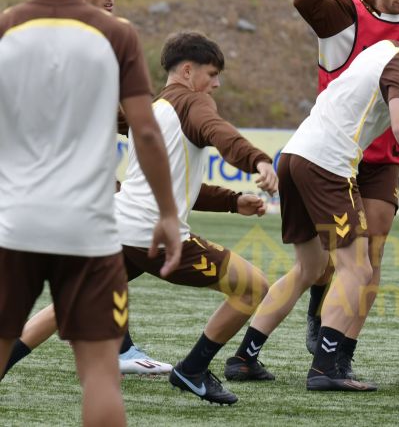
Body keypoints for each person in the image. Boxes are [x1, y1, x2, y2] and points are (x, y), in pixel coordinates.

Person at [4, 32, 281, 405]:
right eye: (212, 74)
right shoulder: (192, 103)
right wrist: (259, 160)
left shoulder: (147, 110)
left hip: (117, 229)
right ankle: (193, 370)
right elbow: (221, 133)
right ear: (187, 70)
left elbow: (168, 182)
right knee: (254, 287)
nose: (215, 84)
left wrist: (233, 201)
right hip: (156, 238)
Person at [226, 0, 399, 382]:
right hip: (333, 154)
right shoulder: (346, 13)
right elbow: (304, 0)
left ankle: (339, 356)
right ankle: (320, 331)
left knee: (367, 259)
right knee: (335, 264)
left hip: (381, 156)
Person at [233, 12, 399, 392]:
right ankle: (324, 370)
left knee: (309, 267)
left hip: (295, 155)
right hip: (328, 165)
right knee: (358, 269)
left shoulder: (387, 49)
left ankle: (244, 358)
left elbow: (364, 88)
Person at [0, 0, 181, 427]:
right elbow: (145, 131)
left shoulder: (7, 27)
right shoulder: (116, 34)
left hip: (15, 222)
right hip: (89, 226)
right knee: (100, 376)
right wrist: (168, 213)